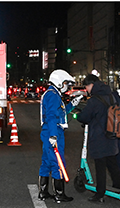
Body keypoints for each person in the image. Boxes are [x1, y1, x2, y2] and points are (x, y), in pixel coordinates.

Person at [77, 73, 120, 203]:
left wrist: (78, 116)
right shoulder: (111, 96)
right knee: (112, 163)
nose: (86, 89)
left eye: (86, 86)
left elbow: (85, 117)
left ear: (92, 85)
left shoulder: (94, 100)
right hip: (112, 135)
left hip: (99, 137)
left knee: (100, 166)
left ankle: (100, 194)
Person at [39, 69, 81, 202]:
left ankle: (43, 192)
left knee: (46, 162)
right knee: (58, 163)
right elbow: (51, 116)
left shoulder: (53, 94)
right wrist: (53, 135)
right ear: (59, 82)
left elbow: (59, 113)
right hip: (54, 131)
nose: (67, 86)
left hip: (49, 132)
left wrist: (72, 105)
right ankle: (59, 194)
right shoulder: (52, 95)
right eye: (66, 83)